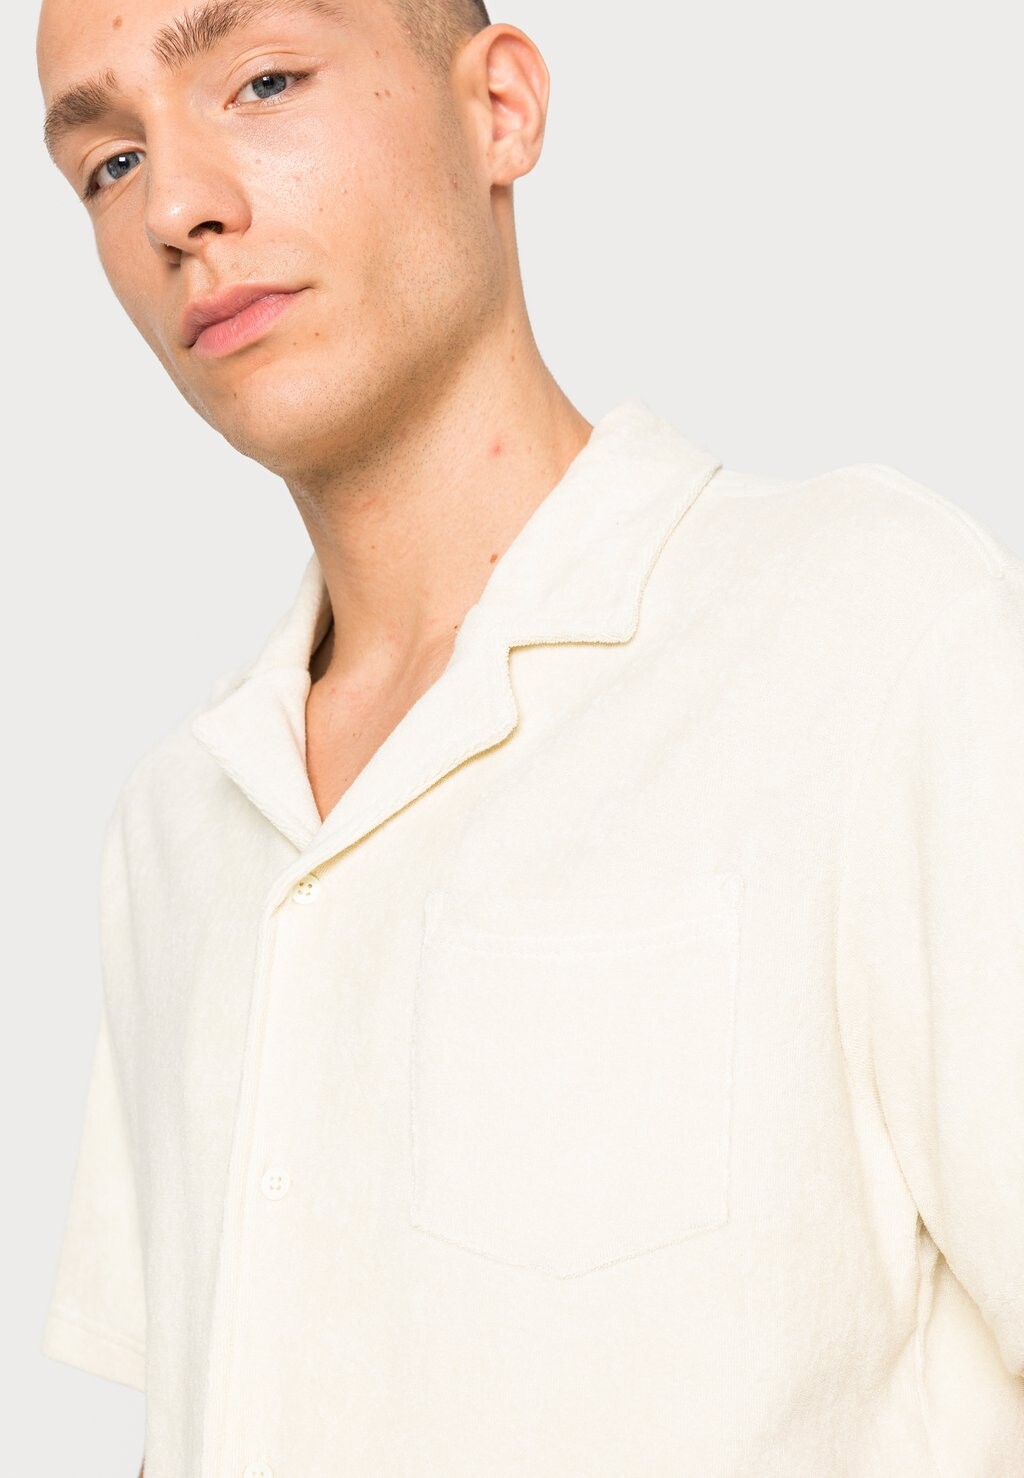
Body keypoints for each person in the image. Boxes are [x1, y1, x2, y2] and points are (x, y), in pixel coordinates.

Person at [35, 0, 1024, 1473]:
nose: (177, 205)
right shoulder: (181, 818)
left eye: (263, 81)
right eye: (108, 163)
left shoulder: (879, 638)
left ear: (499, 109)